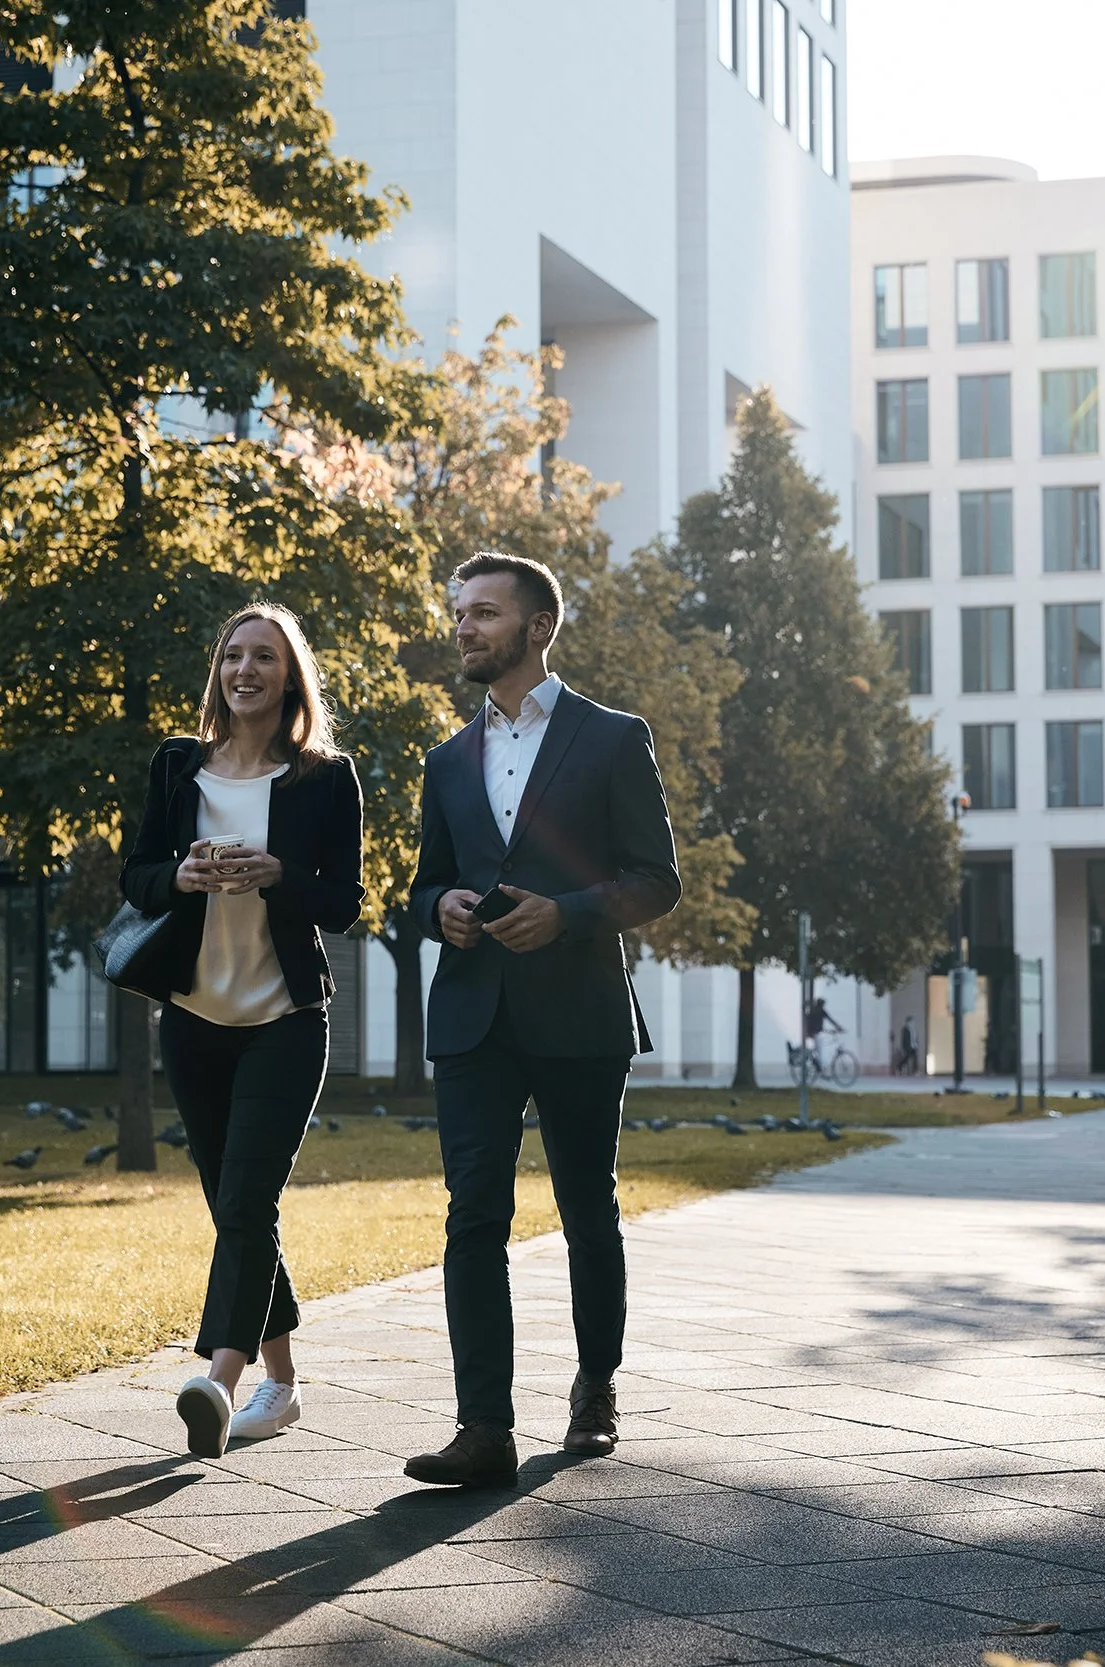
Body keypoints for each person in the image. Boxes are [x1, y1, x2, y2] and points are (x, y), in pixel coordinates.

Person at [402, 551, 681, 1487]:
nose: (464, 627)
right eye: (460, 613)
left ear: (537, 626)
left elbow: (656, 880)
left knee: (586, 1208)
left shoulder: (612, 737)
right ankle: (483, 1427)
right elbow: (423, 882)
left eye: (483, 613)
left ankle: (596, 1383)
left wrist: (567, 912)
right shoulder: (446, 760)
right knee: (471, 1215)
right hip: (474, 1014)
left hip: (580, 1010)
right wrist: (438, 905)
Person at [120, 602, 366, 1460]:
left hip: (285, 1023)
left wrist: (279, 874)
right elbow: (138, 873)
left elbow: (347, 902)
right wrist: (183, 874)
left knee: (248, 1202)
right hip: (193, 1022)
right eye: (233, 656)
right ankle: (285, 1384)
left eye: (264, 657)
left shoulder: (326, 778)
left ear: (290, 674)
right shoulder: (176, 766)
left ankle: (216, 1385)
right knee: (235, 1208)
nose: (245, 670)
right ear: (218, 671)